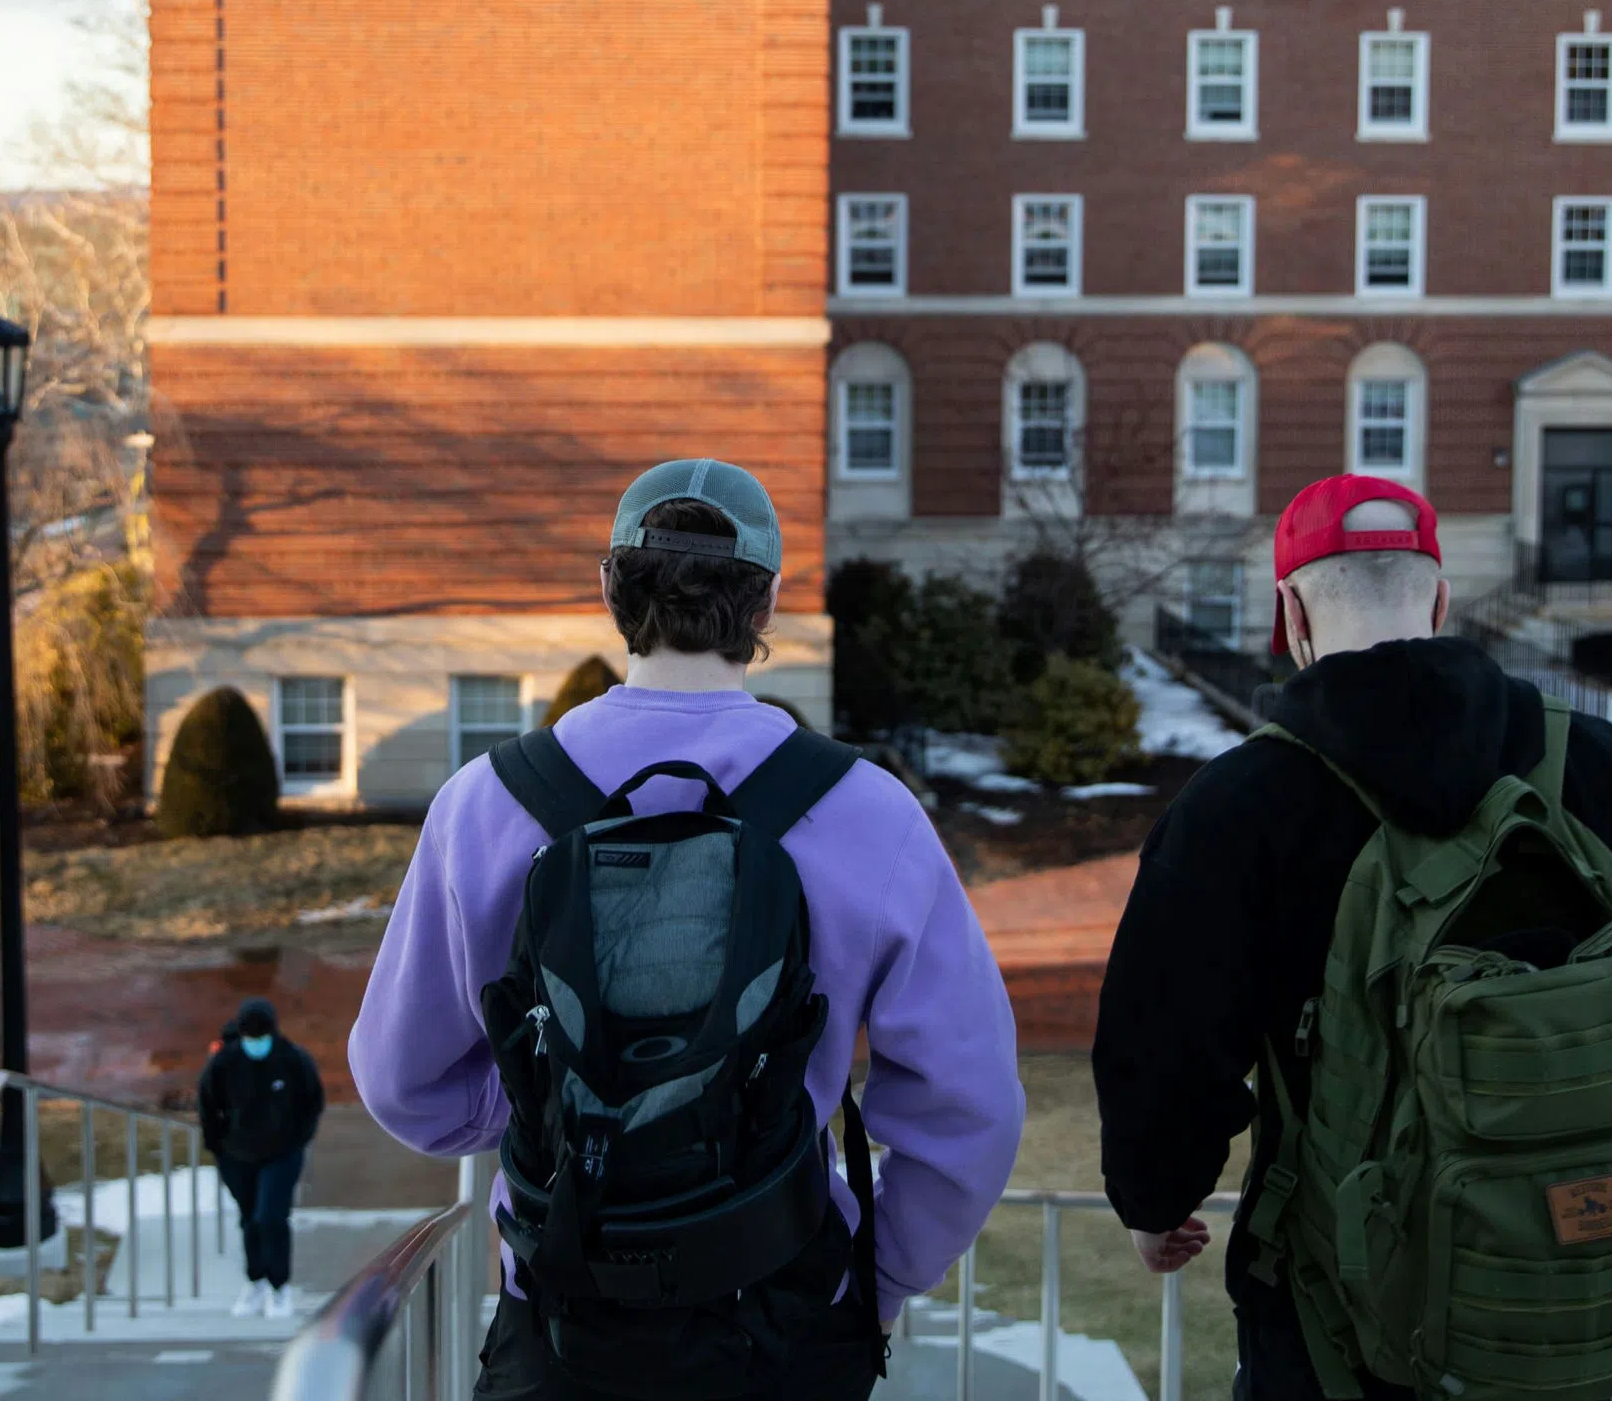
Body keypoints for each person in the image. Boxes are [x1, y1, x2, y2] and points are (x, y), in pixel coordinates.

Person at [351, 458, 1024, 1401]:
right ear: (766, 606)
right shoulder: (871, 813)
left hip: (559, 1314)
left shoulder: (486, 802)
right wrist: (884, 1278)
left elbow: (402, 1084)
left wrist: (573, 1111)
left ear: (609, 588)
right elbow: (972, 1107)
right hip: (781, 1314)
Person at [1094, 476, 1612, 1401]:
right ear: (1441, 600)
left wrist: (1155, 1204)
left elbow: (1163, 1048)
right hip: (1570, 1307)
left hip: (1336, 1323)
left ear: (1290, 615)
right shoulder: (1596, 764)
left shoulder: (1238, 806)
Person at [196, 995, 324, 1319]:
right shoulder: (225, 1062)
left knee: (271, 1217)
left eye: (261, 1036)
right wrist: (218, 1145)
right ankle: (256, 1282)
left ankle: (279, 1286)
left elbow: (312, 1101)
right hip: (237, 1155)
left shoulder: (291, 1059)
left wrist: (298, 1139)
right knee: (250, 1219)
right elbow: (208, 1104)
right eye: (250, 1037)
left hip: (282, 1154)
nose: (256, 1042)